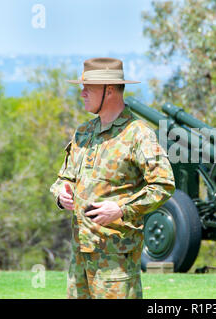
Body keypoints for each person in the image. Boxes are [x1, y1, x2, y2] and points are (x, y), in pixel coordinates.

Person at [50, 57, 175, 299]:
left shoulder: (138, 134)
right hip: (79, 258)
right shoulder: (83, 133)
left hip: (115, 263)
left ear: (109, 90)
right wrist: (61, 194)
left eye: (88, 87)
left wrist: (120, 208)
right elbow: (63, 179)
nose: (82, 92)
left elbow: (163, 185)